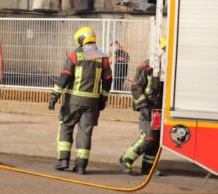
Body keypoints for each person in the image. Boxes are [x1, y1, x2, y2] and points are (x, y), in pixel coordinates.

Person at [48, 26, 112, 174]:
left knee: (65, 126)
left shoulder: (75, 55)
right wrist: (103, 99)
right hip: (92, 103)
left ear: (81, 40)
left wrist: (54, 96)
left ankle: (63, 160)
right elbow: (108, 79)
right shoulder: (102, 57)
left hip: (73, 101)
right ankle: (81, 166)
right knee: (85, 132)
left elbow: (64, 77)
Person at [120, 36, 167, 175]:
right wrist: (143, 106)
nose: (166, 53)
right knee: (148, 137)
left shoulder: (167, 68)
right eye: (164, 50)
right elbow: (136, 87)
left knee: (156, 140)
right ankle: (126, 159)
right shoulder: (146, 67)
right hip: (148, 107)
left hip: (159, 108)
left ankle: (148, 168)